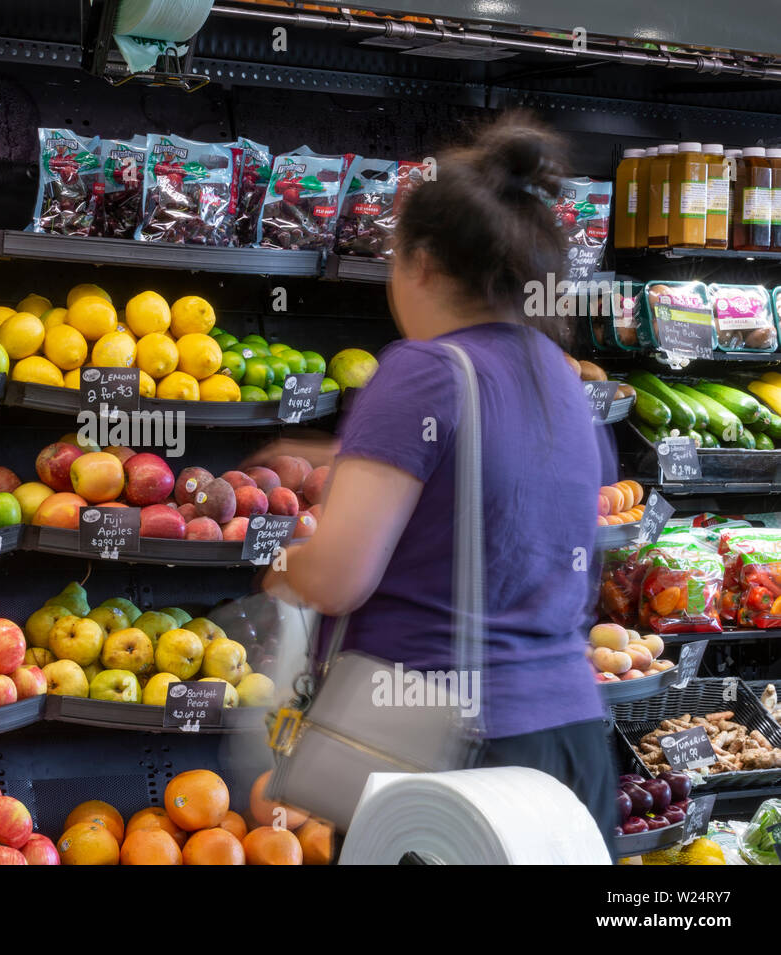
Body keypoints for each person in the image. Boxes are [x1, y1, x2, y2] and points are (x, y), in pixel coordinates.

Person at [257, 114, 616, 844]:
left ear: (419, 263)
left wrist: (283, 564)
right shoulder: (561, 378)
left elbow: (339, 580)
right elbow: (508, 512)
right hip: (573, 741)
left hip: (448, 747)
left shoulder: (422, 371)